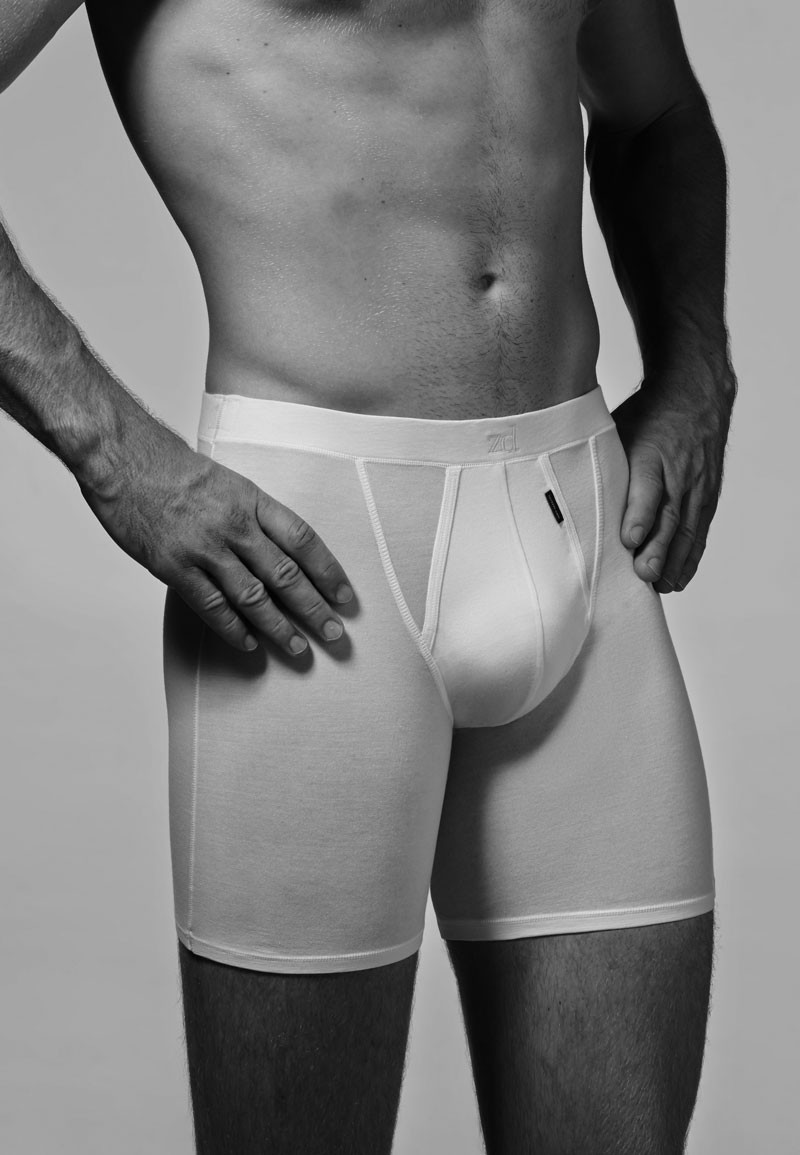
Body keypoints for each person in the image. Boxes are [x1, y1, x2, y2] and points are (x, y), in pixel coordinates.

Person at [1, 0, 736, 1151]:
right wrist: (111, 450)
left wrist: (695, 365)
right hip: (318, 560)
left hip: (584, 535)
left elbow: (653, 114)